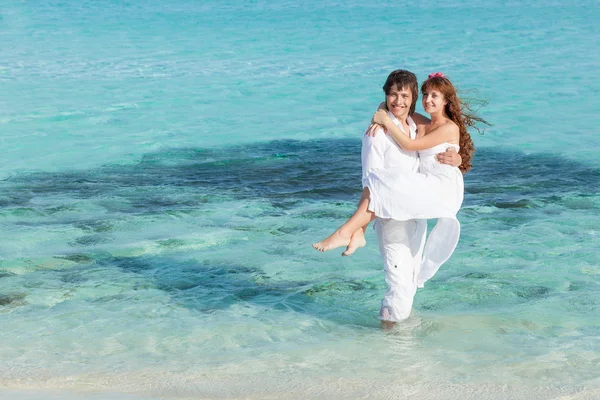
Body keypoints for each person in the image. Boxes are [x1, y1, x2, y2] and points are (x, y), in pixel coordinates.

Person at [313, 72, 488, 322]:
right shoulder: (417, 123)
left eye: (434, 96)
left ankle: (352, 231)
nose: (428, 100)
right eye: (426, 95)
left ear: (447, 101)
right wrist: (382, 114)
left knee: (386, 183)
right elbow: (396, 111)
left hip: (437, 190)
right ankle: (394, 335)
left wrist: (385, 118)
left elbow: (408, 143)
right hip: (413, 200)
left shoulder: (443, 127)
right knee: (403, 281)